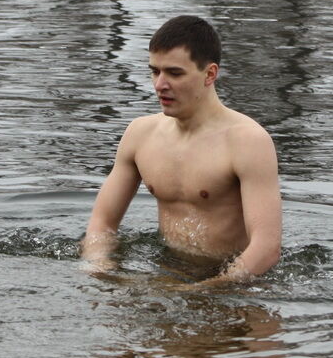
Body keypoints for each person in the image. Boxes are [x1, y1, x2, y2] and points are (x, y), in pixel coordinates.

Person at [81, 15, 282, 286]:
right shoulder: (140, 134)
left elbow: (267, 247)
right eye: (155, 71)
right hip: (166, 271)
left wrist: (205, 290)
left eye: (175, 73)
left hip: (231, 283)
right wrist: (101, 267)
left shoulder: (248, 141)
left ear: (210, 74)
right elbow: (102, 222)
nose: (159, 84)